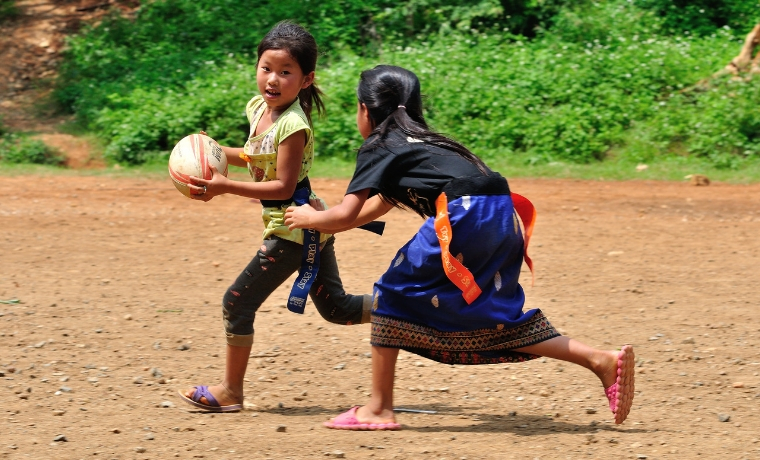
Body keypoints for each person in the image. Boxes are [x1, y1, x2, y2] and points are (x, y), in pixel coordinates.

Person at [284, 65, 635, 430]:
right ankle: (598, 360)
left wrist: (308, 218)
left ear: (365, 109)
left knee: (389, 295)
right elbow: (371, 209)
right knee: (491, 316)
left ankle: (378, 408)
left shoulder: (379, 143)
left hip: (463, 211)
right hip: (501, 210)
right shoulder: (423, 142)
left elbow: (347, 213)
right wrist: (322, 218)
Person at [177, 22, 372, 412]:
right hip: (306, 224)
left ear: (305, 79)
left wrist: (223, 186)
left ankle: (231, 392)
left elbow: (283, 186)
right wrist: (209, 151)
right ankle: (409, 304)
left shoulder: (293, 126)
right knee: (338, 309)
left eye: (286, 72)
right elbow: (253, 156)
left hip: (294, 229)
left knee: (237, 302)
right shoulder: (259, 109)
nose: (273, 79)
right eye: (267, 68)